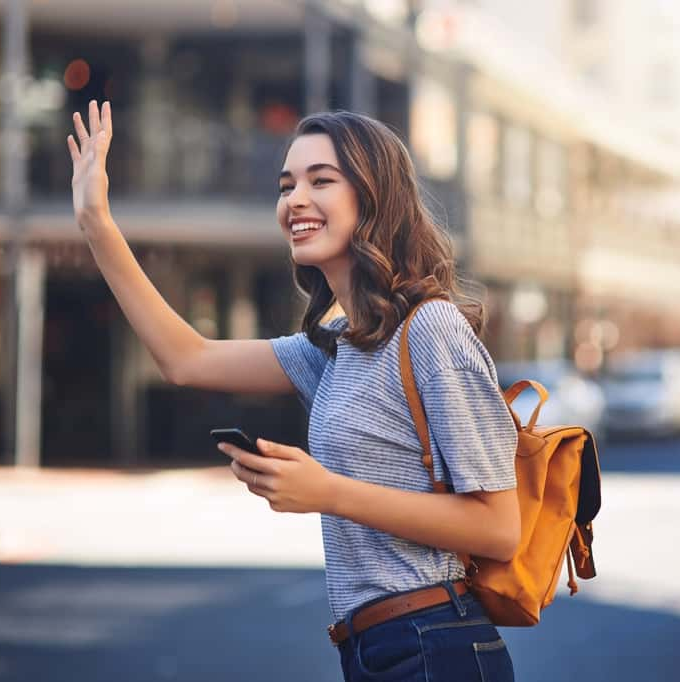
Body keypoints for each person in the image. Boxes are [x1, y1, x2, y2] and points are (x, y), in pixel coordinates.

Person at [68, 101, 519, 681]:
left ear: (374, 197)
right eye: (286, 185)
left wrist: (328, 491)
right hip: (373, 647)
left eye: (321, 180)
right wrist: (96, 223)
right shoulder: (338, 346)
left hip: (434, 642)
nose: (294, 200)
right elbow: (185, 358)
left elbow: (499, 529)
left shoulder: (431, 329)